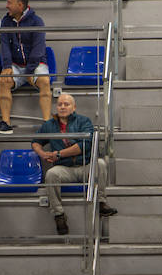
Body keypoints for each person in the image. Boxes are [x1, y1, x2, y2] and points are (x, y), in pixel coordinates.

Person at [32, 93, 117, 235]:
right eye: (60, 104)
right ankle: (59, 215)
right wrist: (42, 153)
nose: (62, 107)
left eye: (66, 104)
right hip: (65, 169)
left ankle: (101, 203)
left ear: (74, 107)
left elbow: (84, 145)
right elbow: (35, 141)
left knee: (100, 164)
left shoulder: (84, 121)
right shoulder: (49, 125)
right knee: (51, 174)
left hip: (85, 166)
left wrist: (58, 154)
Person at [0, 0, 52, 133]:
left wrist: (29, 71)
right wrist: (7, 66)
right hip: (15, 65)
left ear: (20, 6)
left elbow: (38, 49)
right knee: (3, 80)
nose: (6, 6)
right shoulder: (6, 21)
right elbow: (4, 46)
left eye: (9, 3)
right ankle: (5, 123)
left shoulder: (37, 21)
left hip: (35, 64)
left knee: (45, 81)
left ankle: (47, 124)